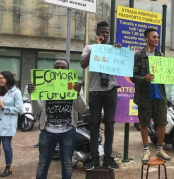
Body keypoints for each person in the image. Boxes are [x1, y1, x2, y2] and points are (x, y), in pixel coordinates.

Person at [28, 59, 86, 179]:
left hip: (68, 131)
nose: (59, 70)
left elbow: (83, 109)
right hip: (47, 131)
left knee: (67, 164)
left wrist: (78, 94)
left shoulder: (74, 85)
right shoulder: (44, 84)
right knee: (43, 164)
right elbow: (38, 111)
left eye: (63, 68)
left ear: (68, 70)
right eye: (57, 67)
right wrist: (33, 96)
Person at [131, 28, 174, 162]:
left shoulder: (161, 55)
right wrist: (144, 79)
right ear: (146, 38)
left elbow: (167, 75)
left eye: (158, 37)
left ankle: (160, 149)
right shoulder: (139, 56)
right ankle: (146, 151)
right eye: (154, 37)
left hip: (159, 95)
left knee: (161, 123)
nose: (157, 39)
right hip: (144, 96)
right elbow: (132, 77)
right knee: (144, 123)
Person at [80, 21, 120, 170]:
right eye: (102, 32)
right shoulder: (90, 48)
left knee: (109, 124)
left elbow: (123, 64)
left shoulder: (114, 49)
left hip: (110, 91)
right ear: (97, 34)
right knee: (94, 124)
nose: (105, 34)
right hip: (95, 91)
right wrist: (96, 48)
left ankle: (108, 157)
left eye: (107, 33)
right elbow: (83, 64)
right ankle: (94, 158)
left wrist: (119, 52)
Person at [0, 71, 23, 177]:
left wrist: (5, 107)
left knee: (6, 146)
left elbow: (19, 109)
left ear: (8, 78)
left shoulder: (16, 92)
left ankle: (8, 167)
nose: (0, 80)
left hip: (7, 124)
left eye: (2, 78)